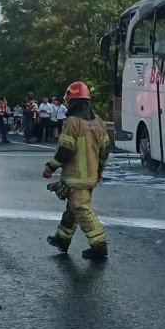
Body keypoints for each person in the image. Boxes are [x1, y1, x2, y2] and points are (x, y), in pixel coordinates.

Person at [43, 81, 110, 260]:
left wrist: (50, 167)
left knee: (81, 209)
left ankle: (99, 245)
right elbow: (105, 150)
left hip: (75, 177)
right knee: (72, 209)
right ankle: (62, 239)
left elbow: (65, 149)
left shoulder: (72, 122)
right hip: (90, 176)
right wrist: (99, 170)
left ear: (73, 102)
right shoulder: (99, 123)